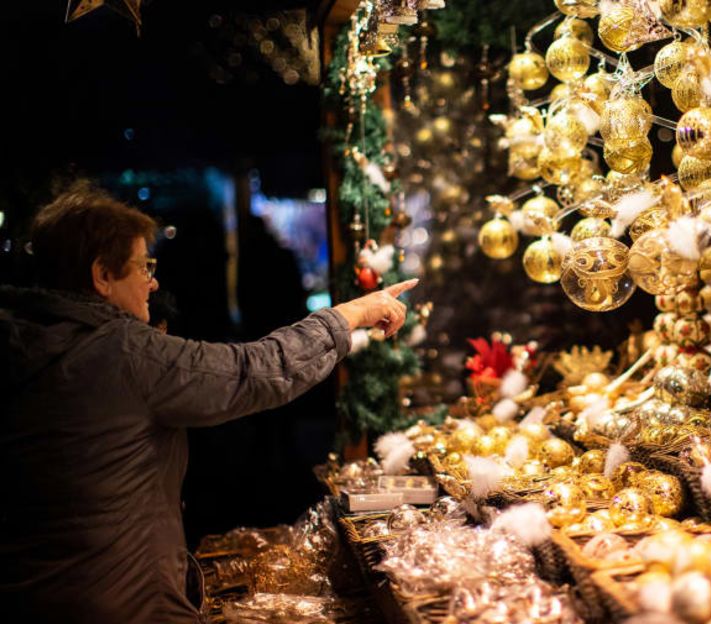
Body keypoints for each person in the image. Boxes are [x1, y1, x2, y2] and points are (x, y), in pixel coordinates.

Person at [0, 186, 417, 623]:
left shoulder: (23, 341)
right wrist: (351, 314)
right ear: (102, 276)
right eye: (143, 267)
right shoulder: (121, 353)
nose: (153, 281)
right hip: (122, 603)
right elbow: (254, 371)